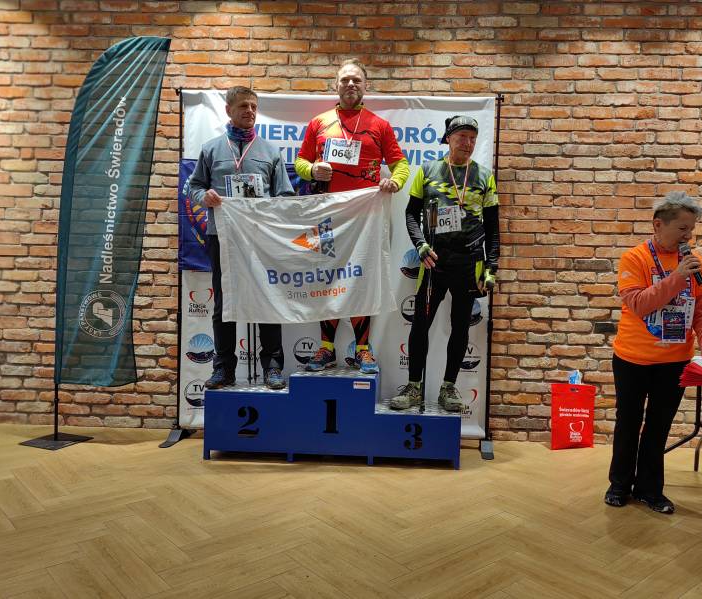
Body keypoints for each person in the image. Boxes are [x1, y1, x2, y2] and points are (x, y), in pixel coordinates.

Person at [605, 191, 702, 514]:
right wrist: (676, 278)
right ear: (658, 225)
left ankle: (649, 490)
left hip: (674, 362)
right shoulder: (635, 258)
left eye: (692, 229)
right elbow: (639, 304)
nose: (689, 236)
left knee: (658, 427)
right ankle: (619, 485)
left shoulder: (695, 264)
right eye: (683, 228)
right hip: (632, 359)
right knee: (628, 423)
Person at [295, 58, 410, 375]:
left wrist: (396, 181)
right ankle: (326, 348)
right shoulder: (319, 123)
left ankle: (362, 349)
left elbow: (400, 165)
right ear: (336, 85)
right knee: (326, 279)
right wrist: (312, 169)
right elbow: (300, 162)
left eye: (356, 80)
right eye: (345, 79)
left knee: (361, 279)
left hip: (365, 217)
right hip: (326, 215)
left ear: (365, 86)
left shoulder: (379, 125)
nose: (350, 84)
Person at [389, 116, 499, 412]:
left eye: (473, 138)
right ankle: (414, 387)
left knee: (461, 326)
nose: (468, 143)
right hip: (433, 262)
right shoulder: (427, 171)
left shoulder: (484, 176)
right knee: (420, 325)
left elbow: (493, 227)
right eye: (462, 137)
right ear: (448, 138)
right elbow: (411, 214)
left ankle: (448, 388)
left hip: (470, 264)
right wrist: (420, 245)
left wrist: (491, 267)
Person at [188, 86, 295, 390]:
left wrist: (271, 208)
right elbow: (193, 188)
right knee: (225, 304)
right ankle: (223, 368)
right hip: (222, 237)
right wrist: (204, 197)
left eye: (254, 106)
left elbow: (285, 194)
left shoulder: (270, 151)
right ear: (228, 110)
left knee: (266, 299)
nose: (250, 111)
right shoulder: (211, 149)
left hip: (260, 238)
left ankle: (272, 367)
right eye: (243, 106)